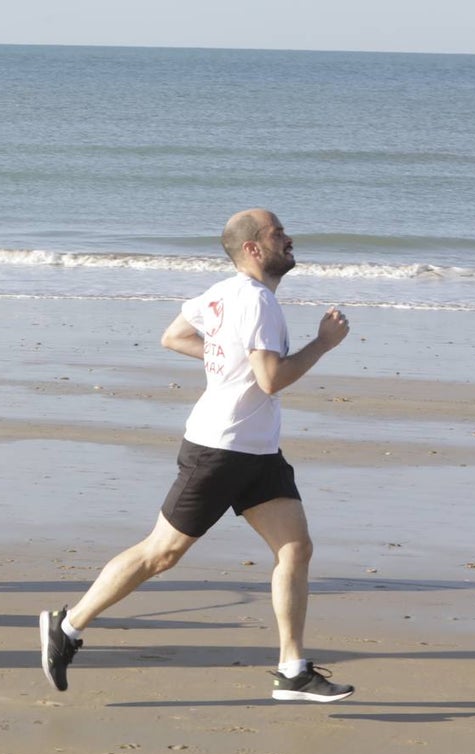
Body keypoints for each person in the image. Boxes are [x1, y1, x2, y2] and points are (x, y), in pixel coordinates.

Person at [40, 209, 355, 703]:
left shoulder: (222, 293)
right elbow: (272, 379)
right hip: (220, 449)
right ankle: (69, 625)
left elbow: (176, 336)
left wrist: (231, 358)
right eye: (278, 234)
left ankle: (293, 670)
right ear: (253, 248)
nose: (289, 238)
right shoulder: (255, 302)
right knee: (160, 553)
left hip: (258, 451)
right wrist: (324, 343)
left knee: (295, 549)